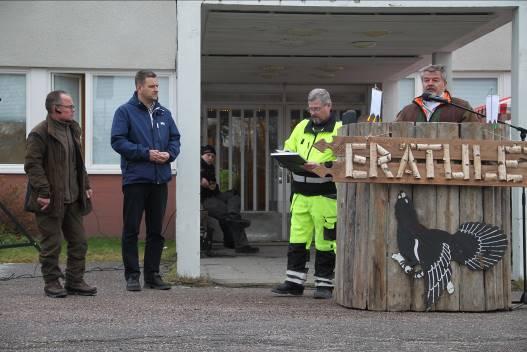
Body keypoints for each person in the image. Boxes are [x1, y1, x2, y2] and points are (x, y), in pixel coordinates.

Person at [111, 70, 181, 291]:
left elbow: (175, 139)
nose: (156, 89)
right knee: (131, 229)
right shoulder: (125, 112)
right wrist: (145, 153)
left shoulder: (164, 114)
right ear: (139, 87)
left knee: (155, 231)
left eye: (157, 86)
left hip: (159, 180)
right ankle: (132, 275)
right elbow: (118, 141)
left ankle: (152, 275)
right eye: (152, 86)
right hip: (136, 180)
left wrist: (170, 154)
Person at [24, 90, 96, 298]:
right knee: (51, 244)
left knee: (79, 241)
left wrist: (86, 184)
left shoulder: (73, 129)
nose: (74, 109)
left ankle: (75, 281)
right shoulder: (40, 133)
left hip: (73, 198)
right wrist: (44, 192)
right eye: (70, 106)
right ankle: (52, 282)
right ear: (56, 109)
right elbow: (32, 165)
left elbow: (78, 163)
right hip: (49, 200)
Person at [271, 88, 341, 299]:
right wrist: (286, 157)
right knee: (297, 239)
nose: (313, 113)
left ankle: (324, 284)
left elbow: (344, 162)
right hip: (300, 194)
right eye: (310, 108)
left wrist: (321, 166)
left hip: (325, 196)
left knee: (325, 241)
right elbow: (289, 147)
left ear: (329, 106)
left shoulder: (340, 129)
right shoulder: (302, 126)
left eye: (317, 109)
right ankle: (294, 283)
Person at [200, 145, 259, 254]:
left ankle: (232, 222)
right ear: (201, 155)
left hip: (216, 195)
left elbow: (213, 187)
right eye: (208, 155)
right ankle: (241, 245)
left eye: (213, 156)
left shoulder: (210, 167)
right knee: (228, 215)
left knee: (234, 195)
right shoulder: (198, 164)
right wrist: (199, 179)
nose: (211, 158)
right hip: (207, 199)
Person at [396, 64, 481, 122]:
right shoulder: (408, 111)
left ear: (444, 83)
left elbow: (474, 136)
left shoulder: (462, 107)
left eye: (435, 80)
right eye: (426, 80)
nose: (430, 83)